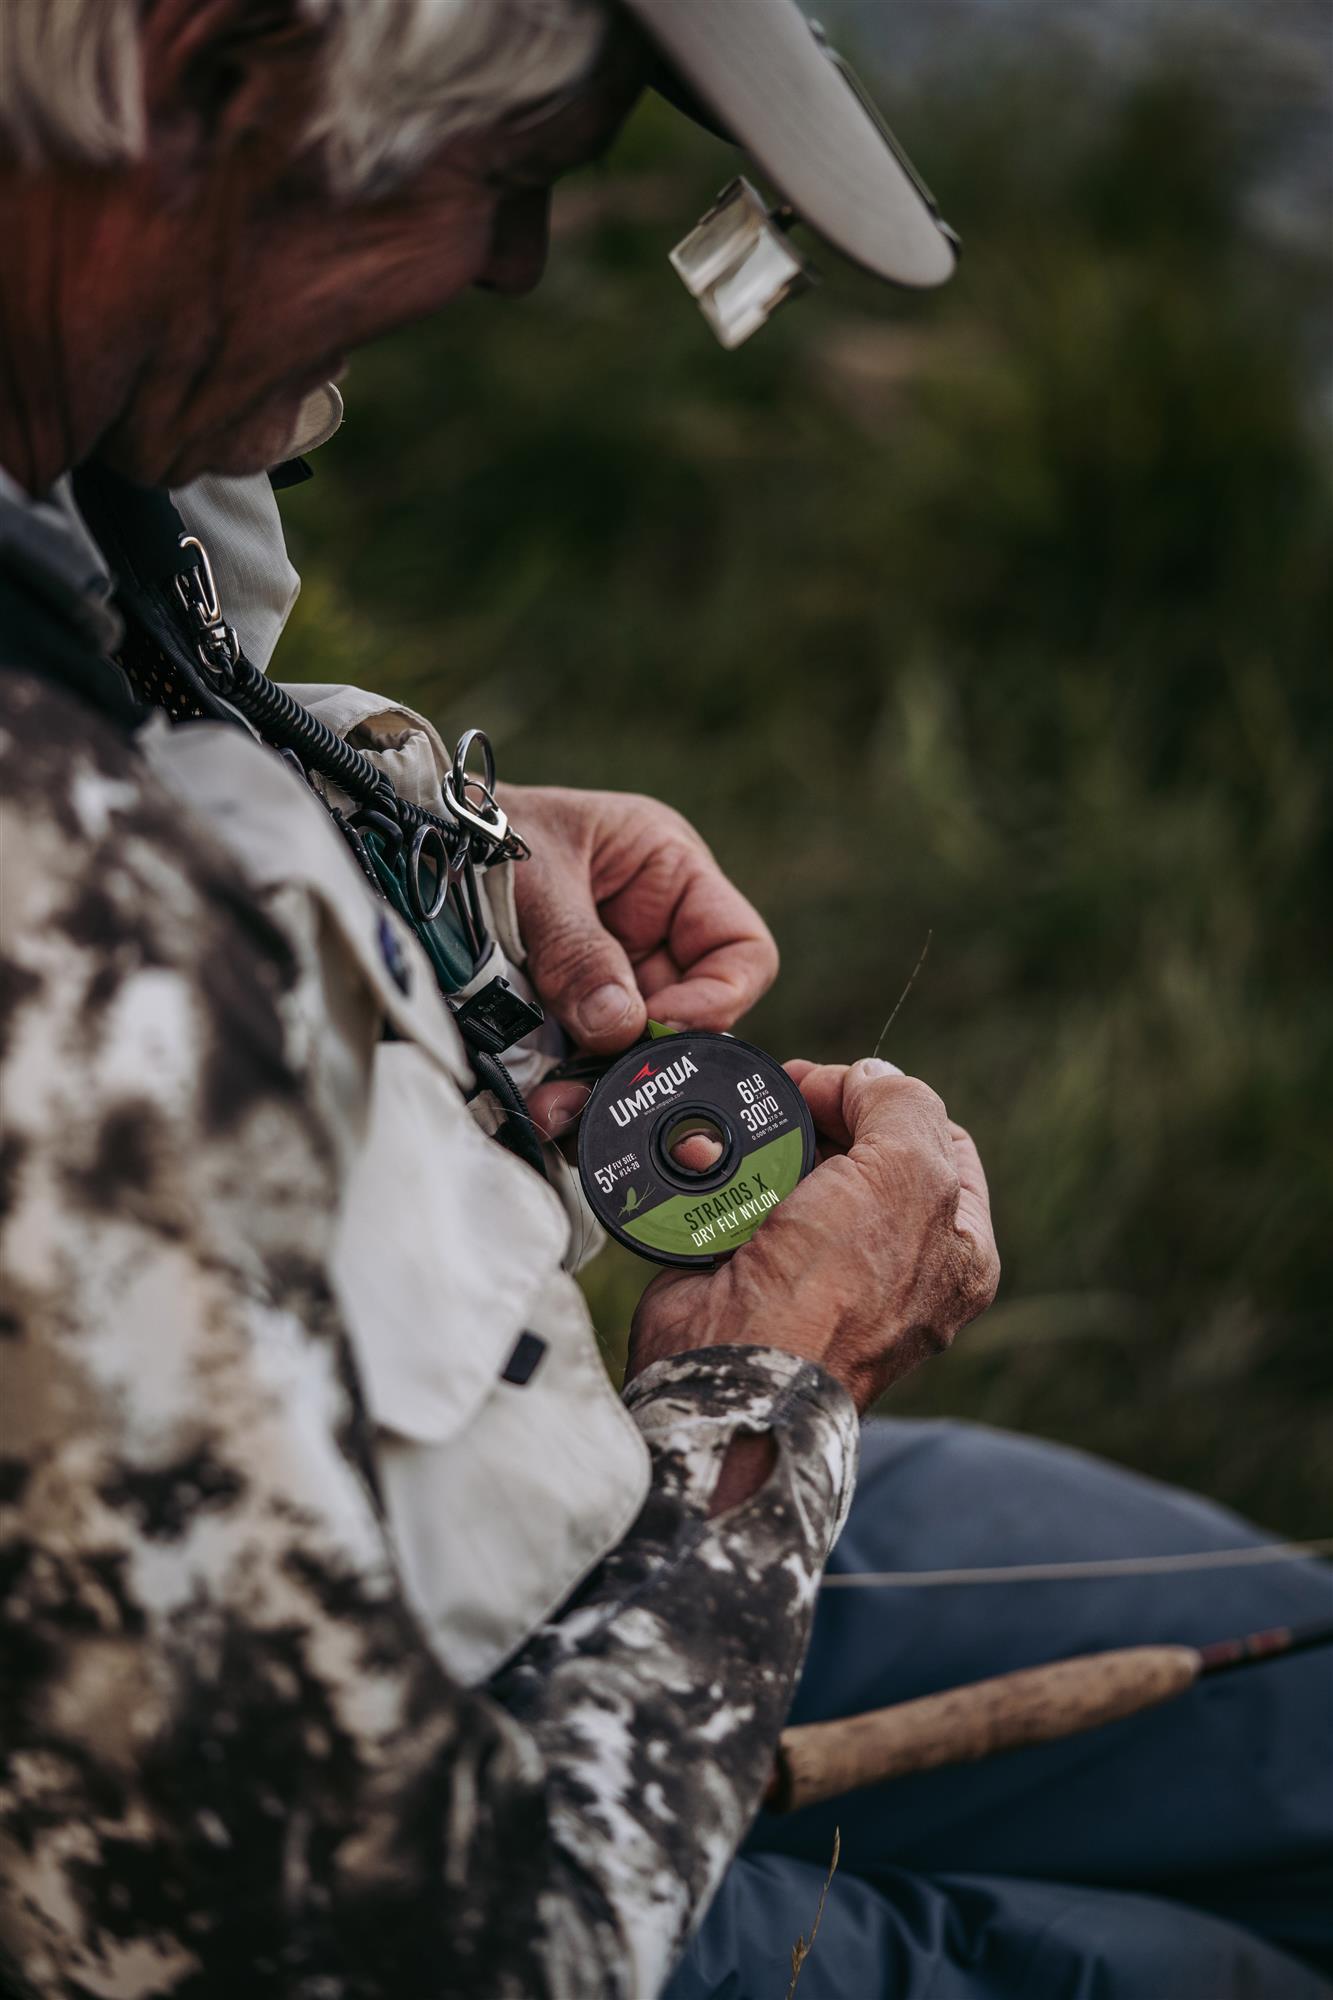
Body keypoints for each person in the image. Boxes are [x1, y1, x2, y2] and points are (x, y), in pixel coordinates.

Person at [0, 8, 1327, 2000]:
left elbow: (130, 748)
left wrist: (409, 832)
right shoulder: (51, 927)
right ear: (211, 76)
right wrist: (760, 1405)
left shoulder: (76, 422)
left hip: (524, 1509)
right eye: (512, 169)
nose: (519, 261)